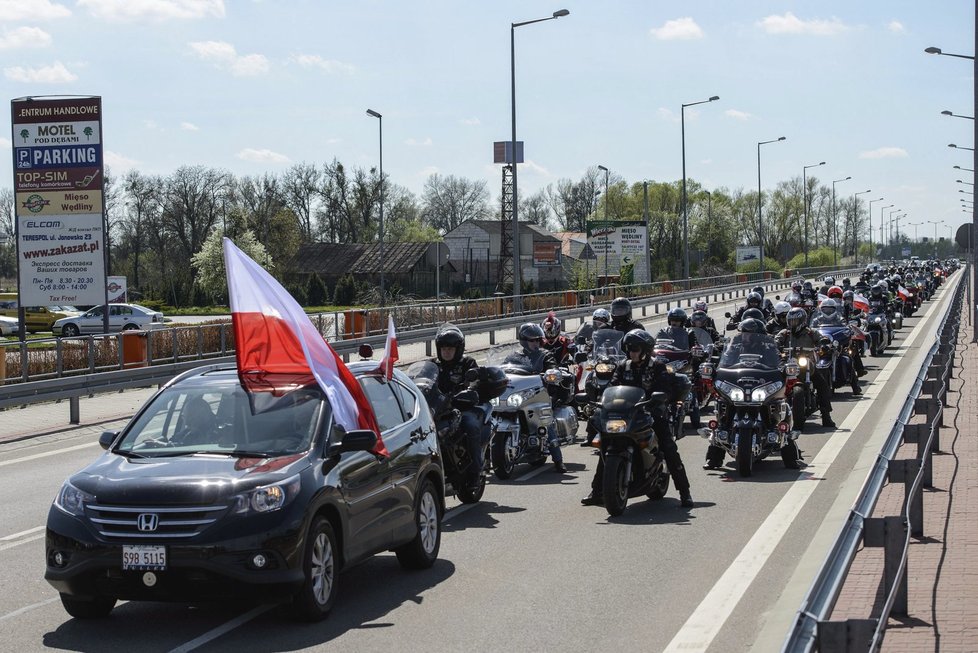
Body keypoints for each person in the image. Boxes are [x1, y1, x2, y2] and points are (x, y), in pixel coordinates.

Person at [581, 328, 693, 508]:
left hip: (651, 413)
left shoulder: (657, 367)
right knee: (606, 445)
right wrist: (602, 402)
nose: (632, 352)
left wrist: (658, 399)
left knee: (668, 447)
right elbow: (612, 387)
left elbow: (664, 388)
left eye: (636, 349)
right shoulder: (622, 366)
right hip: (627, 414)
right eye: (630, 349)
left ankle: (685, 492)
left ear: (645, 350)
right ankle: (597, 491)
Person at [433, 324, 490, 491]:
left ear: (458, 349)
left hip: (463, 407)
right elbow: (423, 381)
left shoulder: (467, 363)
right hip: (439, 409)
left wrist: (469, 390)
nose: (447, 352)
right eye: (443, 348)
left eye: (450, 348)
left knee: (470, 425)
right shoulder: (434, 365)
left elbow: (476, 381)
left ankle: (475, 471)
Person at [516, 322, 566, 473]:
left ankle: (558, 460)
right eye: (533, 340)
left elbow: (552, 366)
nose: (536, 343)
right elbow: (504, 369)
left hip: (539, 394)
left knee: (546, 421)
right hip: (519, 395)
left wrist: (551, 372)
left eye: (538, 340)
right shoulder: (515, 355)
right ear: (524, 341)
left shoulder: (545, 354)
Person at [775, 308, 836, 428]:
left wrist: (824, 345)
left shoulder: (810, 332)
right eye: (791, 321)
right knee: (774, 382)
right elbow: (775, 341)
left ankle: (826, 415)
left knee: (822, 384)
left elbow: (821, 340)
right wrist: (774, 348)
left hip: (806, 363)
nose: (793, 324)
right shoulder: (785, 333)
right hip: (788, 363)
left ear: (802, 321)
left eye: (795, 321)